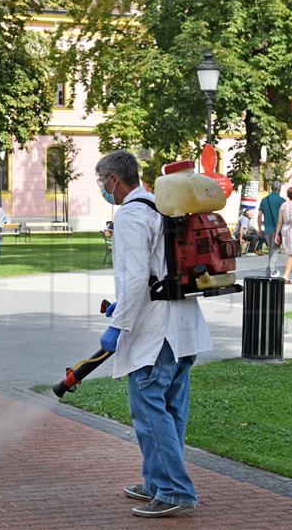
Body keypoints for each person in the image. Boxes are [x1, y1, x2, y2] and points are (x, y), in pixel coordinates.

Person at [96, 150, 212, 518]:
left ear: (115, 179)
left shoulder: (131, 215)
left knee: (149, 413)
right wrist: (123, 305)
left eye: (103, 182)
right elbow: (155, 275)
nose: (103, 189)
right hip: (182, 328)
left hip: (155, 334)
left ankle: (175, 489)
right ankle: (157, 482)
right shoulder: (164, 208)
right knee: (171, 413)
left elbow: (134, 278)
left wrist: (117, 327)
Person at [257, 181, 285, 277]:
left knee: (271, 250)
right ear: (279, 189)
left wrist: (259, 229)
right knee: (275, 250)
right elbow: (284, 217)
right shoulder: (282, 200)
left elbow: (259, 216)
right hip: (278, 229)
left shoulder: (264, 200)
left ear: (271, 188)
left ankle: (272, 269)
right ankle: (271, 271)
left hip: (267, 230)